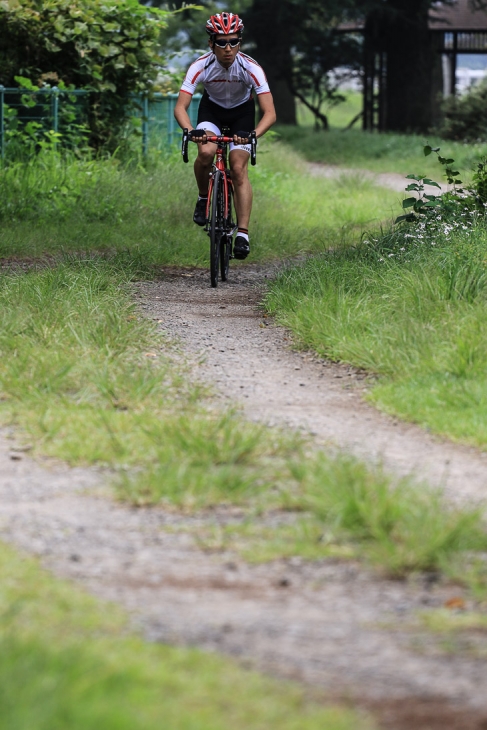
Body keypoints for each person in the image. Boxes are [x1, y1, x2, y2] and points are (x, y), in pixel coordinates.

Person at [174, 12, 276, 260]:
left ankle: (242, 233)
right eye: (221, 42)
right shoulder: (200, 66)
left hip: (242, 114)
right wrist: (191, 131)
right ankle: (202, 196)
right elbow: (180, 107)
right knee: (206, 152)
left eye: (233, 41)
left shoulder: (251, 68)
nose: (228, 48)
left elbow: (270, 113)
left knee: (239, 168)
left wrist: (252, 135)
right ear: (211, 43)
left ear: (240, 41)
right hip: (213, 111)